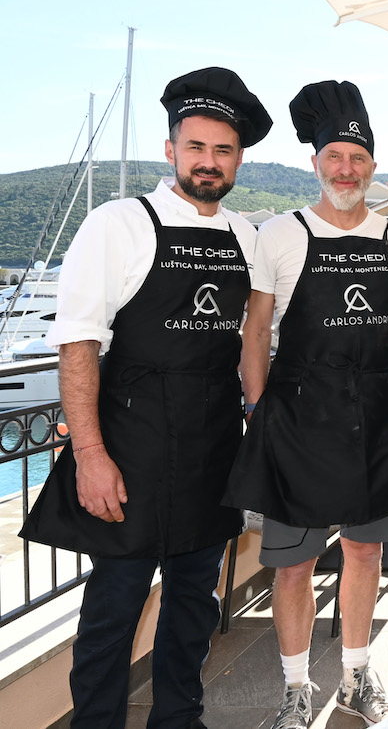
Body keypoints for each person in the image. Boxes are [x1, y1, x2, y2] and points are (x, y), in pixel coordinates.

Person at [20, 67, 270, 729]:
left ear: (239, 158)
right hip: (129, 446)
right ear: (171, 149)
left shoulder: (245, 237)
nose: (209, 162)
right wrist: (90, 455)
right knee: (114, 607)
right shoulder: (119, 223)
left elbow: (251, 342)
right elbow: (78, 346)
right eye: (197, 147)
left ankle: (178, 720)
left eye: (223, 150)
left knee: (193, 605)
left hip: (212, 445)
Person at [222, 81, 388, 728]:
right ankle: (294, 689)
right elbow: (255, 331)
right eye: (335, 157)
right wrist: (260, 415)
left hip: (376, 423)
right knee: (294, 566)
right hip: (299, 425)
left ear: (372, 166)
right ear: (317, 163)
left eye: (358, 158)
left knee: (367, 554)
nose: (347, 169)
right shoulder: (282, 234)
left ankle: (355, 676)